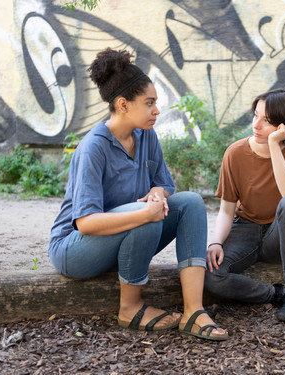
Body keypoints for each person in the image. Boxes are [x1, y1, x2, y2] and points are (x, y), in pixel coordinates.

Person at [48, 48, 227, 341]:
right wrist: (145, 212)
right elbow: (85, 223)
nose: (157, 110)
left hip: (123, 240)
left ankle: (194, 310)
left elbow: (164, 185)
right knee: (148, 217)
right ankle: (130, 307)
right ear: (123, 105)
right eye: (150, 103)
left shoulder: (146, 135)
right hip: (76, 250)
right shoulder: (93, 148)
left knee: (191, 203)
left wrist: (157, 193)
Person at [204, 88, 285, 322]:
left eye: (267, 121)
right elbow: (226, 209)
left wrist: (274, 145)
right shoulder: (235, 153)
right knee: (212, 276)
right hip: (245, 228)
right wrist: (215, 242)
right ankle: (276, 294)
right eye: (256, 116)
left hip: (279, 234)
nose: (256, 125)